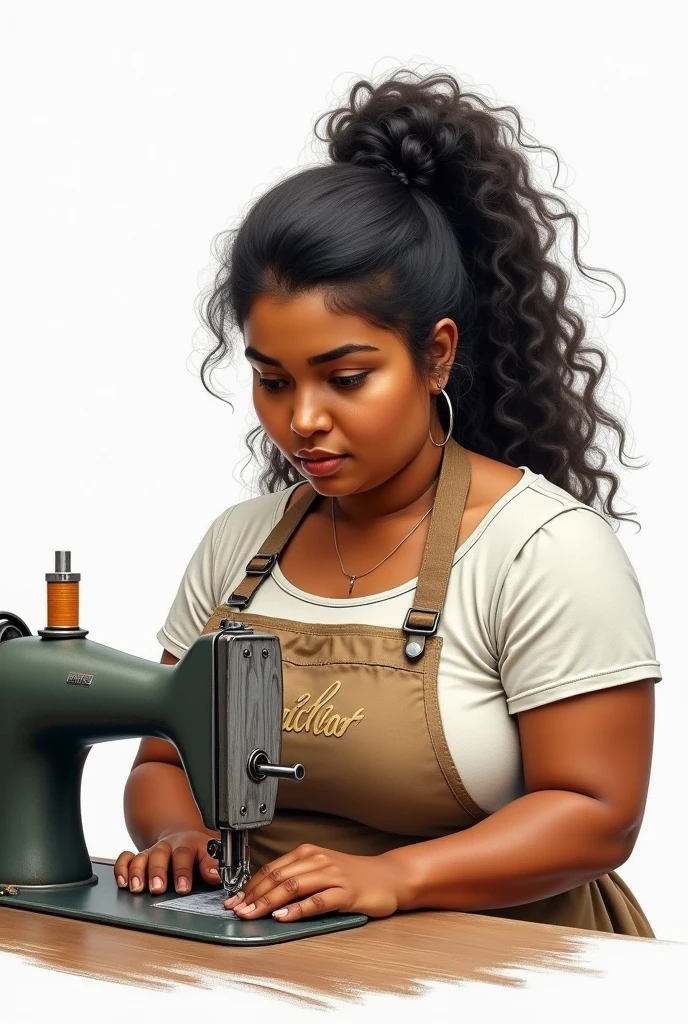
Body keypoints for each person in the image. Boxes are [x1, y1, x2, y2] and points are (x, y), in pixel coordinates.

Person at [113, 68, 662, 936]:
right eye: (271, 379)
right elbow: (160, 759)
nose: (301, 421)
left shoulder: (541, 549)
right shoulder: (241, 548)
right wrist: (177, 832)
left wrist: (396, 876)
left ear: (436, 355)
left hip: (524, 966)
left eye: (346, 377)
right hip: (296, 965)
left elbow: (597, 811)